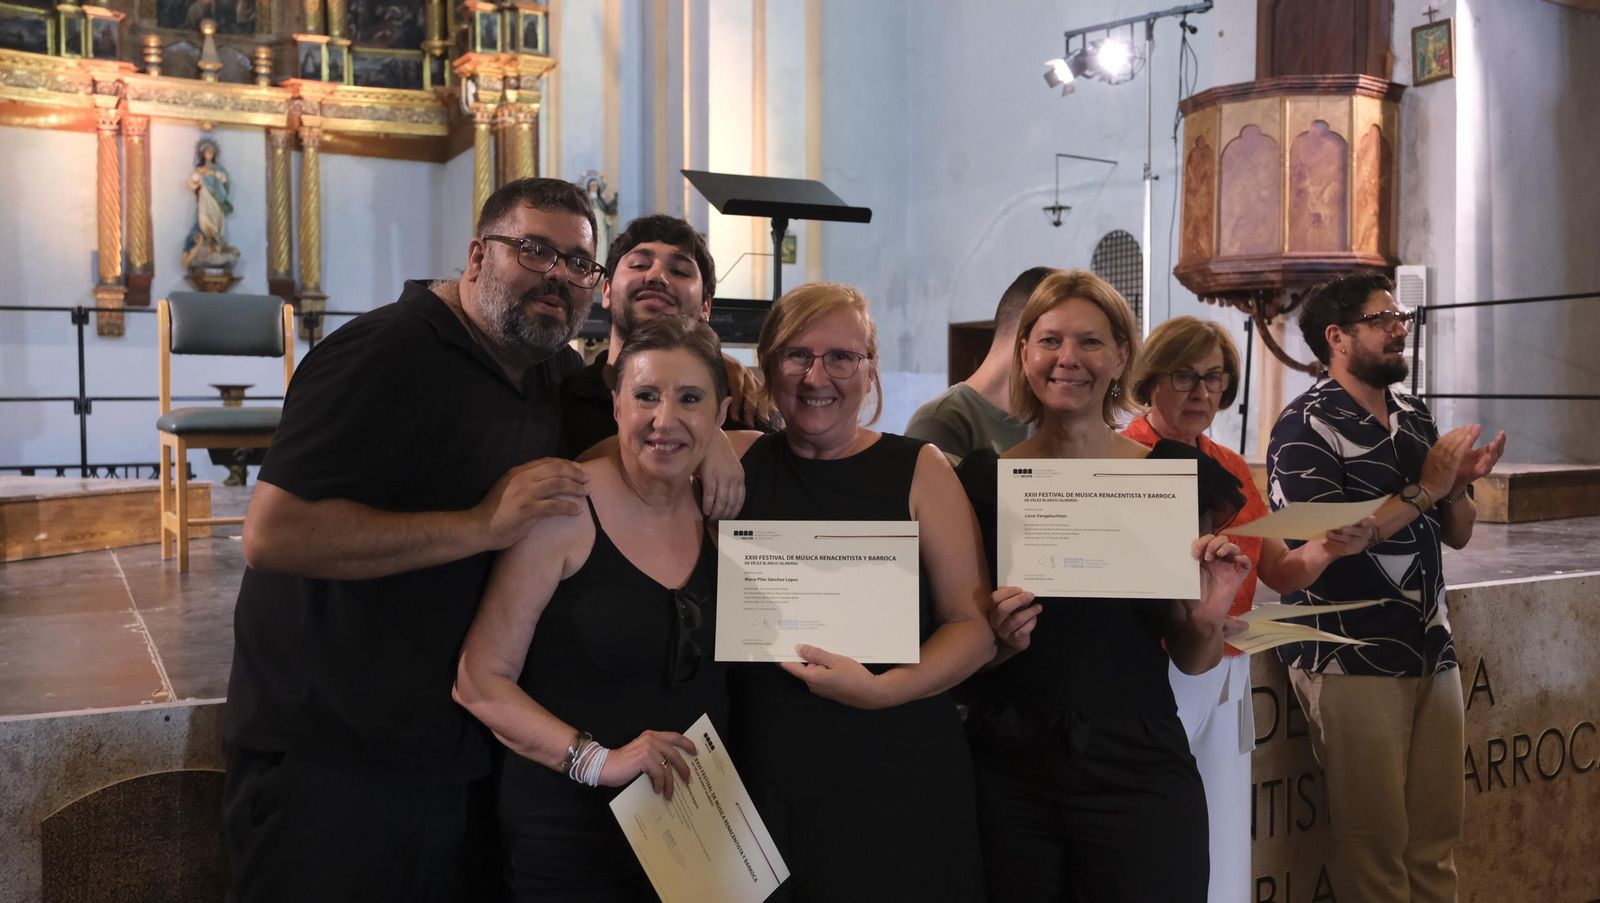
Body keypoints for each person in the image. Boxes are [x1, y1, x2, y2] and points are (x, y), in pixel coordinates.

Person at [223, 178, 605, 902]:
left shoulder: (547, 369)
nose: (557, 275)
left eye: (579, 262)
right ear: (477, 255)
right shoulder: (382, 353)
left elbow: (637, 434)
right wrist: (479, 524)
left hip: (452, 748)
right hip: (332, 759)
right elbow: (273, 533)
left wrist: (717, 440)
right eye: (534, 250)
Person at [955, 269, 1253, 903]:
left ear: (1121, 356)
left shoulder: (1169, 476)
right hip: (1009, 768)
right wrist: (998, 644)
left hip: (1137, 761)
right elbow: (962, 655)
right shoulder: (984, 483)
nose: (1068, 358)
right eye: (1050, 340)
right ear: (1025, 354)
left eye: (1090, 341)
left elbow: (1193, 656)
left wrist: (1207, 616)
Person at [722, 282, 995, 902]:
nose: (817, 376)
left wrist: (879, 690)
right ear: (768, 365)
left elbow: (973, 630)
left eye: (842, 357)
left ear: (869, 369)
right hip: (764, 767)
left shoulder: (920, 469)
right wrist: (706, 441)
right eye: (797, 355)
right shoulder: (735, 462)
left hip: (894, 762)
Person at [455, 316, 732, 902]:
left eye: (690, 399)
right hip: (570, 833)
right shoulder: (565, 511)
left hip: (694, 830)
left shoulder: (720, 515)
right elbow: (479, 680)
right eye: (646, 396)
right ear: (616, 406)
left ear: (720, 416)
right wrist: (597, 761)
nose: (665, 420)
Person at [1121, 315, 1375, 903]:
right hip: (1152, 669)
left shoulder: (1229, 465)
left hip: (1228, 662)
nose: (1201, 391)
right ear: (1150, 378)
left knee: (1224, 829)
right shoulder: (1122, 457)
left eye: (1214, 378)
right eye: (1184, 375)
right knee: (1155, 833)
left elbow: (1279, 570)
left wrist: (1329, 545)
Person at [1268, 272, 1504, 902]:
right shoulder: (1304, 426)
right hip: (1350, 652)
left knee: (1436, 840)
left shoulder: (1414, 414)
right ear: (1338, 337)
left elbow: (1458, 533)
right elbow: (1330, 539)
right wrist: (1426, 490)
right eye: (1383, 319)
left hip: (1429, 644)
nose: (1400, 329)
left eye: (1402, 317)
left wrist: (1457, 485)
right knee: (1373, 849)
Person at [562, 214, 771, 456]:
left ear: (706, 307)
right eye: (639, 265)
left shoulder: (741, 408)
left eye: (679, 271)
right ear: (607, 291)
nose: (656, 277)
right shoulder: (559, 401)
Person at [904, 267, 1046, 459]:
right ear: (1025, 337)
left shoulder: (1047, 420)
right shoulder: (939, 422)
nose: (1068, 357)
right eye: (1053, 339)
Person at [182, 138, 233, 269]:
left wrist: (213, 173)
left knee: (216, 219)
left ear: (214, 154)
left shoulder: (219, 169)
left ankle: (216, 243)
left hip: (216, 198)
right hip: (204, 196)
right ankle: (208, 241)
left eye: (211, 152)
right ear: (202, 154)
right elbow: (192, 183)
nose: (209, 154)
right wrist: (200, 177)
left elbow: (225, 180)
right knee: (203, 218)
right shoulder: (199, 169)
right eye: (207, 152)